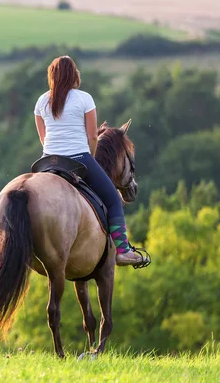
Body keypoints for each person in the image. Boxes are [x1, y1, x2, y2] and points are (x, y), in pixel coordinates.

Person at [33, 55, 144, 266]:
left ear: (52, 76)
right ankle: (122, 250)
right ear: (75, 74)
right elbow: (93, 136)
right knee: (112, 198)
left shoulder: (41, 101)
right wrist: (90, 160)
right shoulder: (84, 98)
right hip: (78, 157)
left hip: (48, 161)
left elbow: (43, 137)